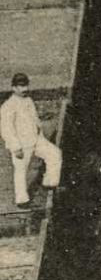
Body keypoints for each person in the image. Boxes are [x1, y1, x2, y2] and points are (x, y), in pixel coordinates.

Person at [2, 73, 60, 209]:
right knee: (21, 171)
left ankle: (49, 183)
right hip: (21, 145)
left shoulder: (28, 100)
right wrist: (15, 147)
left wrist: (40, 132)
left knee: (54, 153)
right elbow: (6, 129)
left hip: (36, 140)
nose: (24, 89)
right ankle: (22, 200)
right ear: (14, 88)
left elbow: (34, 119)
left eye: (26, 85)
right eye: (21, 86)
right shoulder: (8, 106)